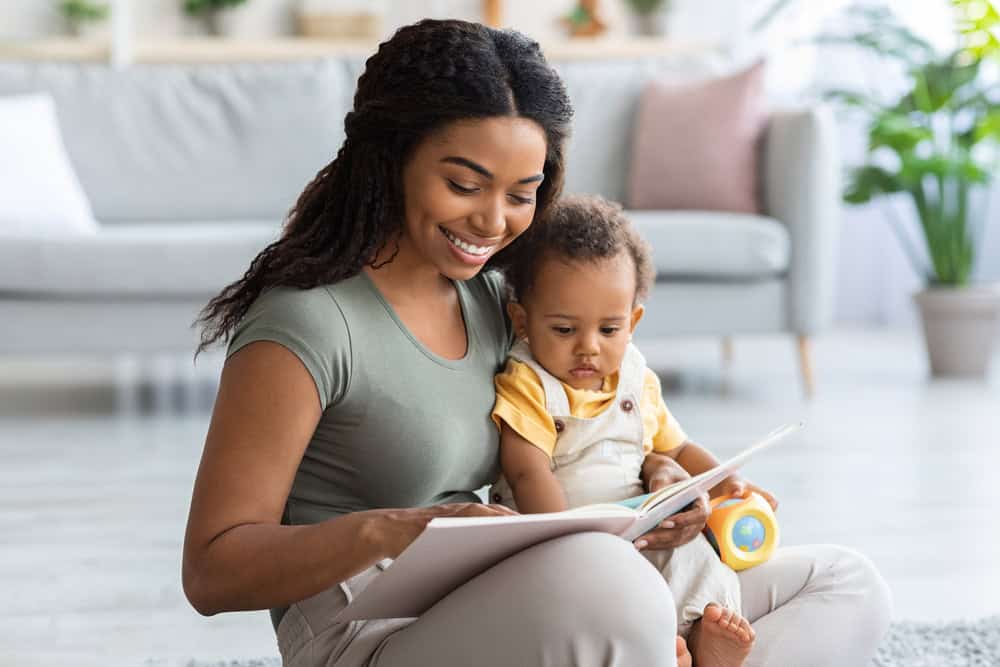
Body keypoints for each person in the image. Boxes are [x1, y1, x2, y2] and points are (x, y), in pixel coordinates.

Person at [182, 18, 892, 667]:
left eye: (522, 193)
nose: (493, 221)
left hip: (525, 590)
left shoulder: (501, 300)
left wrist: (663, 482)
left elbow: (595, 416)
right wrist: (395, 530)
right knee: (612, 587)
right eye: (465, 183)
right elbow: (211, 570)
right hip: (373, 634)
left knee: (844, 582)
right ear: (390, 157)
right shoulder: (306, 322)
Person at [489, 194, 758, 666]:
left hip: (640, 525)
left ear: (632, 322)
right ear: (523, 320)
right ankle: (657, 644)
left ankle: (702, 636)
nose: (588, 349)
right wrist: (566, 542)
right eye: (565, 330)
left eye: (609, 330)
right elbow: (528, 471)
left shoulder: (636, 378)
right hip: (565, 537)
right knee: (612, 591)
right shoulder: (528, 382)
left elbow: (679, 446)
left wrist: (727, 482)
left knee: (694, 558)